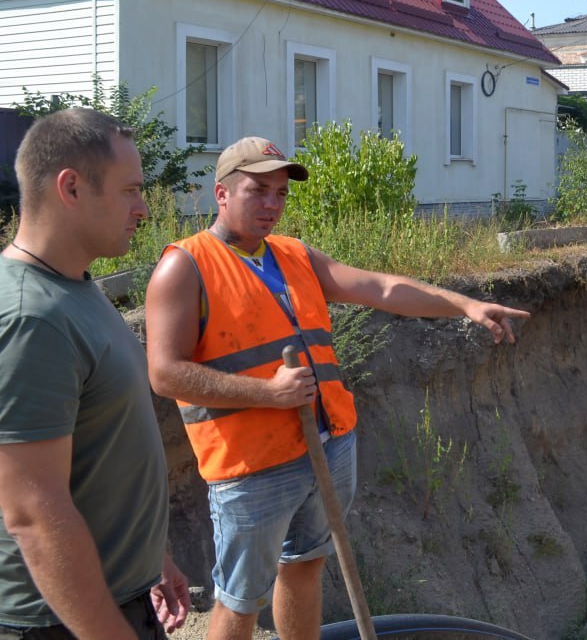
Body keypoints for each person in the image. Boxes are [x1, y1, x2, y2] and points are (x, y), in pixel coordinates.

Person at [144, 137, 531, 640]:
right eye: (257, 190)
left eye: (280, 194)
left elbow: (381, 288)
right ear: (221, 193)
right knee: (241, 600)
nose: (271, 205)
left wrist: (465, 305)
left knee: (304, 567)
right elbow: (165, 373)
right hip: (252, 465)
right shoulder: (185, 266)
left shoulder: (293, 255)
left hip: (326, 447)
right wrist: (270, 393)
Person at [0, 108, 189, 637]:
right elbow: (34, 514)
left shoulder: (76, 289)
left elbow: (104, 450)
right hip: (59, 622)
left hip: (113, 598)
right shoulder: (30, 318)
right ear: (72, 188)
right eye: (130, 189)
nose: (143, 208)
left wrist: (154, 558)